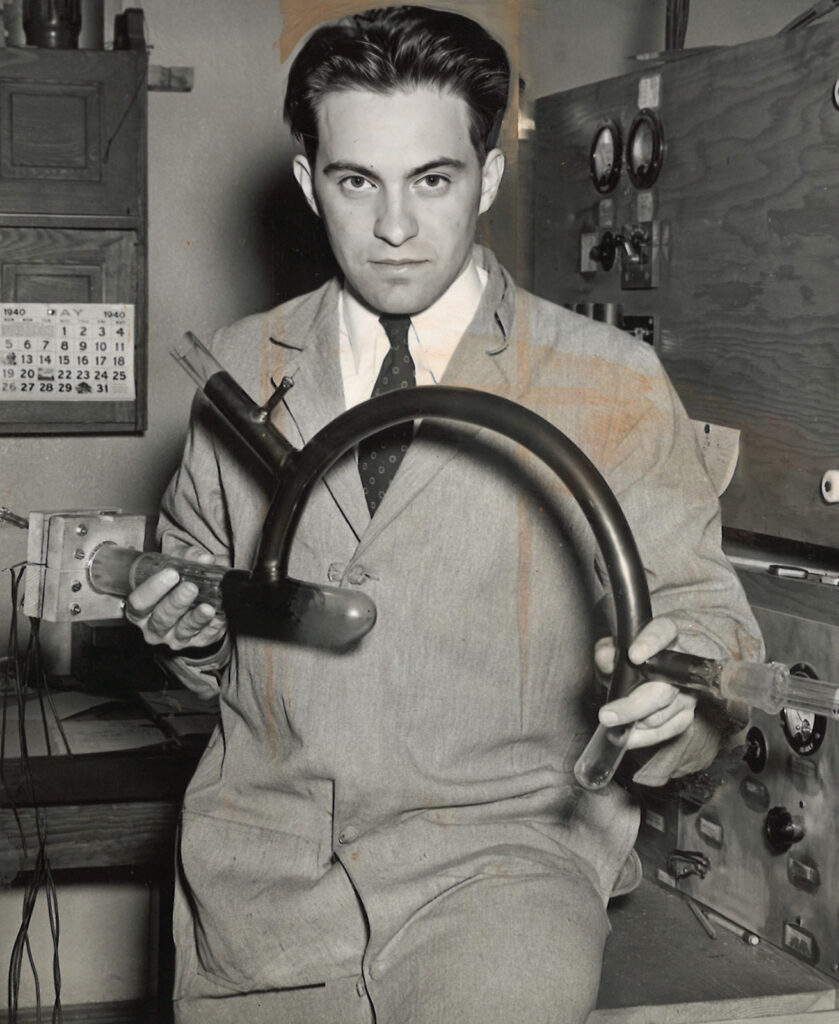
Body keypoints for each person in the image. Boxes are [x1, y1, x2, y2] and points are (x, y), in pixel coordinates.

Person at [126, 7, 763, 1023]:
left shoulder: (610, 384)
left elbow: (705, 626)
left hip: (503, 870)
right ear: (307, 184)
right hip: (263, 882)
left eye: (432, 179)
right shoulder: (242, 372)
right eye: (354, 181)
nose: (391, 227)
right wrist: (188, 630)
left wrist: (675, 705)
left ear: (487, 177)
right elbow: (203, 593)